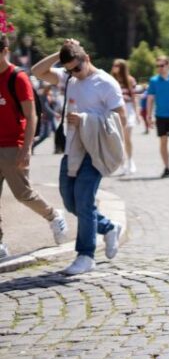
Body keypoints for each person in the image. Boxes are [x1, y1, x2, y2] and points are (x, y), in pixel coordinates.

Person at [32, 39, 126, 275]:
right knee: (70, 202)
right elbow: (37, 71)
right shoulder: (70, 78)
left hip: (94, 149)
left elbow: (120, 119)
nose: (74, 73)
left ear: (88, 59)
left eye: (77, 67)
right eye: (69, 69)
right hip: (73, 149)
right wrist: (60, 53)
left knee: (84, 200)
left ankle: (86, 255)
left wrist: (87, 120)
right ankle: (109, 227)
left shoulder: (106, 83)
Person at [0, 35, 68, 260]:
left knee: (23, 194)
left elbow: (31, 115)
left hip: (13, 145)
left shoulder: (17, 78)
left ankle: (53, 216)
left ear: (5, 51)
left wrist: (26, 147)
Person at [110, 59, 138, 174]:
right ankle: (122, 163)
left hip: (128, 108)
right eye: (114, 65)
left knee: (127, 137)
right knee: (118, 138)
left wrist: (137, 113)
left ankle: (131, 161)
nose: (114, 67)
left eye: (117, 65)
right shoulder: (111, 80)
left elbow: (134, 97)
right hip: (116, 109)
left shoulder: (130, 80)